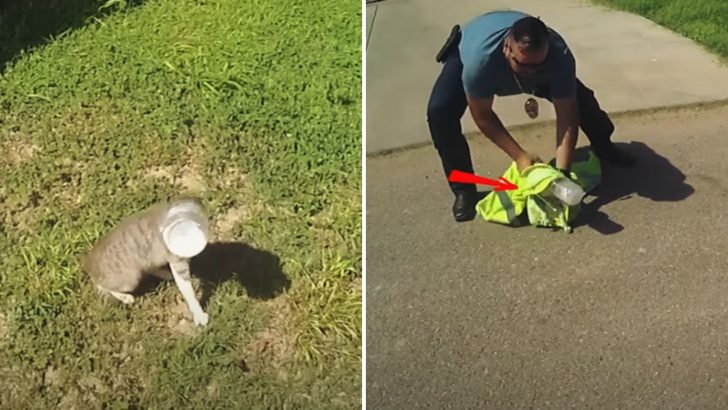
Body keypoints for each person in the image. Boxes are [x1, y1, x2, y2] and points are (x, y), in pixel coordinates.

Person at [426, 10, 636, 222]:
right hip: (469, 47)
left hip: (530, 58)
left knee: (583, 102)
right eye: (523, 65)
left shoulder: (559, 56)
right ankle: (464, 191)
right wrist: (520, 156)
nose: (531, 72)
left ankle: (604, 146)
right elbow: (483, 117)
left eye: (538, 65)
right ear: (507, 49)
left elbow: (567, 117)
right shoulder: (481, 63)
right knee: (440, 113)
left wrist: (562, 172)